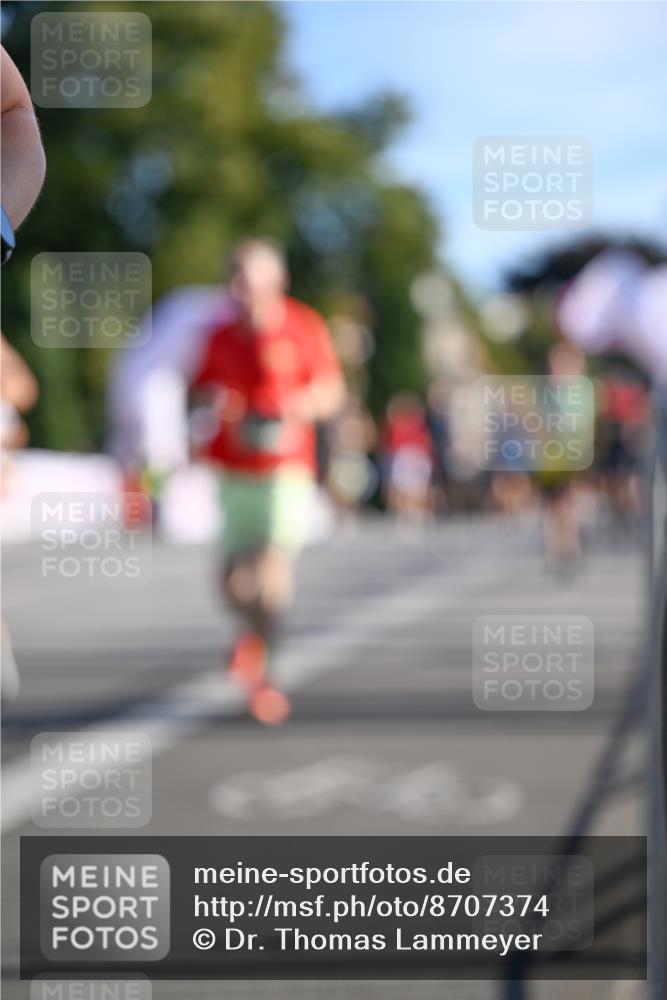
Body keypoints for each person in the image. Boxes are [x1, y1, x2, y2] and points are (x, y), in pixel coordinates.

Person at [191, 239, 345, 724]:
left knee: (271, 570)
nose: (240, 289)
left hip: (285, 468)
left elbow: (331, 392)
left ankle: (266, 676)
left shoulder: (304, 327)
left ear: (276, 283)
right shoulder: (218, 336)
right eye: (234, 278)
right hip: (233, 468)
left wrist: (295, 406)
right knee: (234, 583)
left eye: (250, 279)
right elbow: (198, 391)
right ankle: (251, 641)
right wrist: (212, 403)